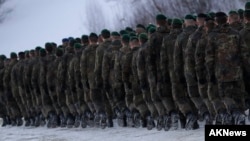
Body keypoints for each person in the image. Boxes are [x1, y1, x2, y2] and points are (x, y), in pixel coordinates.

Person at [206, 12, 246, 125]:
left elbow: (209, 58)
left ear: (216, 21)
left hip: (221, 73)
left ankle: (236, 114)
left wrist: (210, 74)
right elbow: (244, 54)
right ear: (226, 19)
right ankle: (240, 118)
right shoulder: (236, 34)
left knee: (225, 96)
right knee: (238, 95)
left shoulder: (212, 36)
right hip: (237, 71)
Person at [173, 14, 199, 130]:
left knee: (187, 95)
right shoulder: (201, 34)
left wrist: (178, 74)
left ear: (185, 22)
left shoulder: (181, 37)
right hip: (202, 69)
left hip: (187, 70)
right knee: (200, 95)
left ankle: (192, 119)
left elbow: (177, 59)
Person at [161, 18, 183, 130]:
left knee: (177, 96)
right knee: (188, 94)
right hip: (187, 70)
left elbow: (163, 59)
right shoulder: (185, 36)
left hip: (173, 71)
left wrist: (164, 74)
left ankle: (182, 117)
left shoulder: (167, 39)